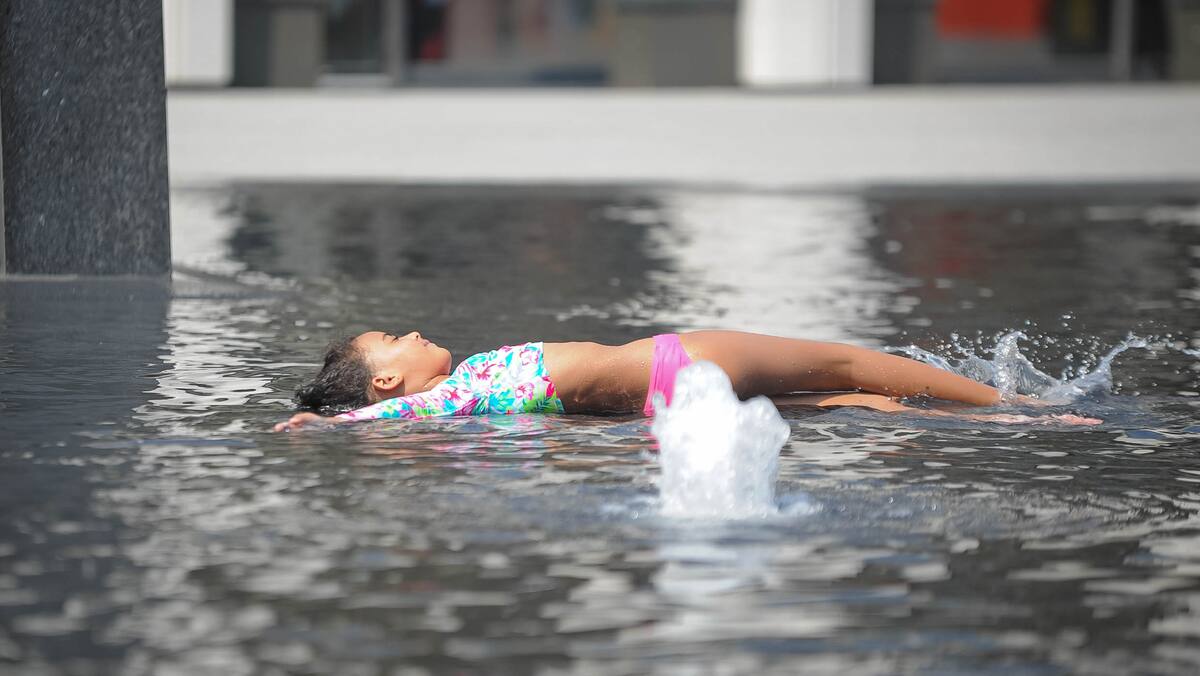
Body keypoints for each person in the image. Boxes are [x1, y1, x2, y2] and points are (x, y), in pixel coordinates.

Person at [275, 330, 1099, 431]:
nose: (414, 333)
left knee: (847, 397)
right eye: (394, 338)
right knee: (851, 364)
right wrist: (336, 425)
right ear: (385, 380)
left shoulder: (458, 400)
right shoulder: (440, 400)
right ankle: (1018, 406)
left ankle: (1009, 417)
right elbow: (404, 419)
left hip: (662, 402)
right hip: (678, 363)